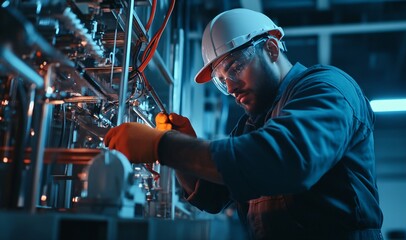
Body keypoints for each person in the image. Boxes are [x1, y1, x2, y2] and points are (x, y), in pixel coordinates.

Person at [104, 8, 384, 240]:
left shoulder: (326, 88)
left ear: (271, 50)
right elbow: (212, 196)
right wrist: (183, 149)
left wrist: (162, 146)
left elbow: (284, 159)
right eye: (221, 80)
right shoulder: (254, 122)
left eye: (235, 68)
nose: (231, 87)